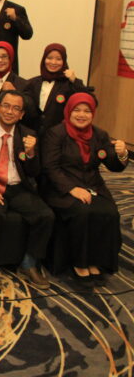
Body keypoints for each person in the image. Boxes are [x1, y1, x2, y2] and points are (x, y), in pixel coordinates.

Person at [0, 90, 54, 290]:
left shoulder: (29, 135)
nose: (9, 111)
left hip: (17, 187)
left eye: (16, 108)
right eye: (6, 106)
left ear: (21, 114)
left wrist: (30, 153)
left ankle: (29, 263)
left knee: (45, 215)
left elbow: (34, 171)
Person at [42, 93, 129, 287]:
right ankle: (79, 263)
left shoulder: (99, 135)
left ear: (93, 113)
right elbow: (50, 167)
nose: (82, 115)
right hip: (61, 187)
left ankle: (96, 260)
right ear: (68, 111)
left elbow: (113, 165)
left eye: (87, 111)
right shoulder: (56, 133)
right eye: (77, 110)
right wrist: (72, 189)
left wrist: (122, 154)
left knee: (109, 212)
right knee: (83, 212)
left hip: (93, 185)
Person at [23, 43, 89, 135]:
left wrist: (75, 80)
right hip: (32, 135)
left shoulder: (69, 84)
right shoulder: (32, 83)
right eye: (49, 58)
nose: (53, 62)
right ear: (44, 59)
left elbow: (89, 100)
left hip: (59, 136)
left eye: (58, 59)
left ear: (64, 61)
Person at [0, 41, 28, 111]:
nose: (0, 60)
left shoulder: (22, 84)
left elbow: (29, 112)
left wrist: (15, 92)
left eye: (4, 56)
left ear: (10, 59)